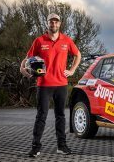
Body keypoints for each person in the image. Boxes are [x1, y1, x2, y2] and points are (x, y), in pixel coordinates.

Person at [20, 13, 81, 157]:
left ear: (60, 23)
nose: (54, 24)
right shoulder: (39, 41)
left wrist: (71, 70)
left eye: (56, 22)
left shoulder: (66, 40)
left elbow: (78, 55)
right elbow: (28, 59)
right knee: (41, 116)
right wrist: (23, 69)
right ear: (47, 23)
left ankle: (62, 146)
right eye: (51, 22)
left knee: (60, 116)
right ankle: (36, 147)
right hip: (44, 84)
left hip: (61, 84)